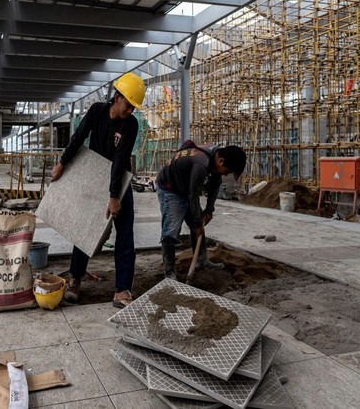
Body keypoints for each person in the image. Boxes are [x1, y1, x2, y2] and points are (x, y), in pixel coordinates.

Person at [50, 72, 145, 308]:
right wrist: (62, 163)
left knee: (125, 236)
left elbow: (121, 160)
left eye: (134, 107)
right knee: (85, 230)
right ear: (117, 97)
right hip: (94, 178)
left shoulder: (130, 125)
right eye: (128, 104)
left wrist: (114, 197)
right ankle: (75, 279)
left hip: (120, 182)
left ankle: (122, 289)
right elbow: (78, 137)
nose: (130, 110)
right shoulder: (96, 111)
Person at [156, 141, 246, 279]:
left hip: (186, 187)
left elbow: (215, 186)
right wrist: (197, 223)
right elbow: (193, 195)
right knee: (171, 229)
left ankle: (201, 261)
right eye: (227, 171)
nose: (226, 174)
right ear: (221, 161)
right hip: (170, 188)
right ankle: (169, 272)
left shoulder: (215, 158)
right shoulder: (201, 164)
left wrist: (209, 210)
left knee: (198, 222)